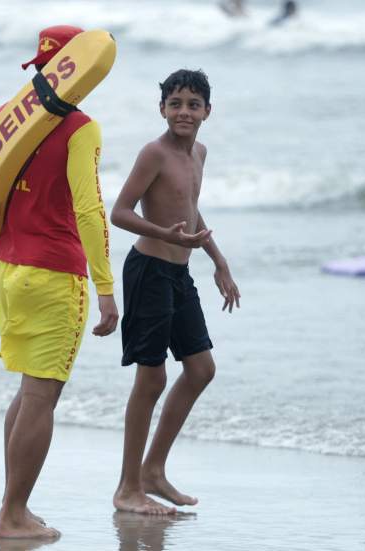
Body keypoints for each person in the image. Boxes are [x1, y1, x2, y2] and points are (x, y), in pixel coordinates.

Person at [0, 25, 119, 538]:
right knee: (42, 396)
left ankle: (13, 507)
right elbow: (89, 211)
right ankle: (12, 515)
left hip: (5, 268)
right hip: (51, 273)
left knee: (28, 393)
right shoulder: (80, 127)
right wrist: (106, 289)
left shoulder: (4, 119)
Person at [110, 69, 241, 515]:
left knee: (201, 369)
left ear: (207, 111)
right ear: (162, 108)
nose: (184, 111)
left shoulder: (199, 152)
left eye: (193, 104)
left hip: (180, 272)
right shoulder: (154, 153)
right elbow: (121, 213)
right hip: (148, 271)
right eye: (175, 103)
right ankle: (128, 487)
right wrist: (163, 232)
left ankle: (153, 472)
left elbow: (190, 208)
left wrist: (218, 260)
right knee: (152, 378)